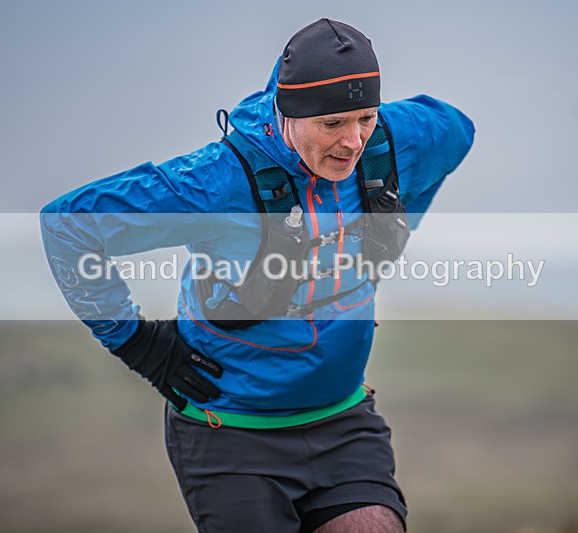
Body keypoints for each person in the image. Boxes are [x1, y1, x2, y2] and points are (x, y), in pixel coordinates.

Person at [41, 18, 474, 532]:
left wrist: (385, 238)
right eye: (332, 124)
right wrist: (136, 342)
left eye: (365, 118)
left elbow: (459, 132)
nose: (353, 140)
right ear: (289, 113)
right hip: (231, 436)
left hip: (342, 421)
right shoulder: (215, 183)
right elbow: (69, 224)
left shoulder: (395, 142)